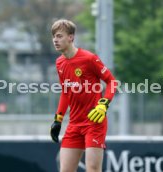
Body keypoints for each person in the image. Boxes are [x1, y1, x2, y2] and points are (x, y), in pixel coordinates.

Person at [50, 19, 117, 172]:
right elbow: (66, 92)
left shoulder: (88, 58)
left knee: (93, 169)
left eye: (59, 36)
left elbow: (112, 82)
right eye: (54, 36)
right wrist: (58, 120)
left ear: (71, 37)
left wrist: (103, 105)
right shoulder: (59, 63)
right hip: (74, 124)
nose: (55, 40)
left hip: (94, 123)